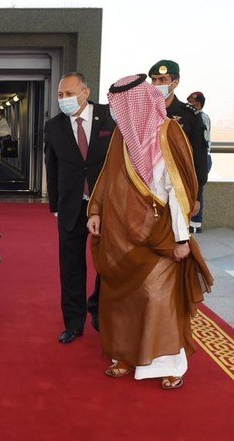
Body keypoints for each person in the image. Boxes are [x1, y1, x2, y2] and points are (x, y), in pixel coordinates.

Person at [87, 74, 214, 389]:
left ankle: (171, 363)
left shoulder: (168, 132)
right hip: (121, 235)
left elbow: (179, 191)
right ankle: (126, 356)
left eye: (119, 104)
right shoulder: (122, 137)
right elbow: (107, 178)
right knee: (123, 298)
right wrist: (97, 210)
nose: (115, 111)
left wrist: (182, 238)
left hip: (161, 232)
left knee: (158, 297)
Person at [44, 72, 116, 344]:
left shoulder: (110, 117)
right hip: (71, 206)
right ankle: (73, 323)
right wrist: (55, 206)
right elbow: (51, 166)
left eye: (69, 94)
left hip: (107, 204)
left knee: (106, 263)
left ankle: (98, 308)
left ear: (85, 92)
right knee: (71, 266)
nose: (64, 100)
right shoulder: (54, 126)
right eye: (60, 95)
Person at [148, 60, 208, 212]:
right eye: (153, 80)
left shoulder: (189, 115)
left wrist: (196, 195)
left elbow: (199, 156)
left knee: (178, 232)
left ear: (175, 83)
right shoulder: (144, 112)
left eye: (162, 80)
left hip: (179, 186)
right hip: (148, 187)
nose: (156, 84)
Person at [187, 91, 212, 233]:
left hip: (202, 158)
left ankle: (196, 223)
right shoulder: (196, 117)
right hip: (196, 158)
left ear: (199, 104)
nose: (190, 105)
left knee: (198, 190)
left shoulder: (201, 118)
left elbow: (202, 141)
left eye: (193, 103)